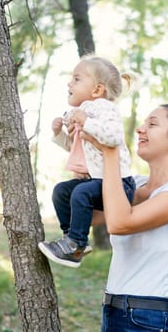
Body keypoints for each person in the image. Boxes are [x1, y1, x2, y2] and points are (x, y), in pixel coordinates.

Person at [80, 103, 168, 331]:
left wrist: (111, 151)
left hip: (150, 317)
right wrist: (86, 148)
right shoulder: (136, 185)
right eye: (143, 124)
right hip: (113, 311)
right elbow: (88, 215)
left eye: (152, 124)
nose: (140, 129)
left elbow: (120, 223)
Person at [38, 55, 136, 268]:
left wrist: (86, 121)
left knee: (80, 193)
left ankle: (76, 244)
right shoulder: (84, 112)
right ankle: (72, 239)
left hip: (119, 184)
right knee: (62, 191)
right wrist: (58, 134)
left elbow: (114, 138)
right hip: (98, 182)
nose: (69, 83)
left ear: (97, 90)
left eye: (77, 79)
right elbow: (79, 149)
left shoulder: (104, 108)